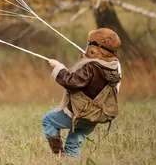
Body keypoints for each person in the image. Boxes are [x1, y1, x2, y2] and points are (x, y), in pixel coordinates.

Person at [42, 28, 122, 157]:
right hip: (95, 116)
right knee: (73, 146)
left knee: (48, 120)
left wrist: (58, 67)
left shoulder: (91, 68)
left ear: (94, 49)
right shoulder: (114, 66)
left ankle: (58, 154)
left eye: (90, 44)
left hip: (80, 113)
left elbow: (71, 81)